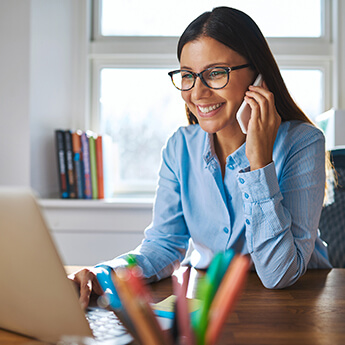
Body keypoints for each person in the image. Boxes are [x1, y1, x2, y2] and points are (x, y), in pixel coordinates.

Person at [70, 6, 332, 309]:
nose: (197, 92)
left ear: (258, 76)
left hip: (298, 304)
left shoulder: (302, 142)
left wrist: (259, 161)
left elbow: (278, 274)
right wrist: (103, 273)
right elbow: (164, 246)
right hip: (210, 303)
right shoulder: (180, 147)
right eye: (187, 76)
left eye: (216, 73)